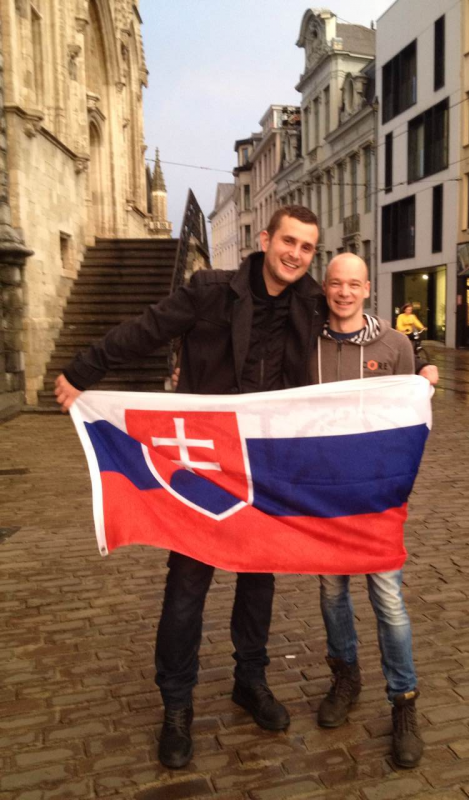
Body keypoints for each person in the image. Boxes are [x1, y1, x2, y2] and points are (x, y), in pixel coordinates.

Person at [54, 205, 327, 770]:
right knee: (186, 587)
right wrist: (83, 370)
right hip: (201, 466)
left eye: (306, 247)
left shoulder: (311, 300)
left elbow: (354, 336)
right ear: (265, 239)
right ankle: (176, 706)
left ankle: (249, 681)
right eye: (289, 241)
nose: (296, 254)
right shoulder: (210, 290)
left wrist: (412, 367)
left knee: (258, 581)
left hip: (265, 467)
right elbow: (146, 329)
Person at [310, 253, 438, 770]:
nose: (344, 292)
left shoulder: (395, 344)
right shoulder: (306, 341)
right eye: (336, 283)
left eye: (353, 284)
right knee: (331, 591)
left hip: (377, 496)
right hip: (322, 495)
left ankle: (403, 702)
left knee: (388, 600)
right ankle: (345, 676)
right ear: (326, 288)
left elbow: (409, 419)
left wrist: (423, 376)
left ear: (367, 289)